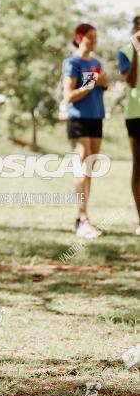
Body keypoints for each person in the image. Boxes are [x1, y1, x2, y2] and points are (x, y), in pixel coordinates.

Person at [63, 24, 109, 239]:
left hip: (96, 118)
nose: (93, 40)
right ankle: (82, 219)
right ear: (79, 38)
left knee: (90, 167)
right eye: (89, 37)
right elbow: (68, 96)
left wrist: (99, 80)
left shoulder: (96, 63)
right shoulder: (72, 62)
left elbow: (105, 82)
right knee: (82, 166)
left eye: (95, 37)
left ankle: (84, 217)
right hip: (78, 119)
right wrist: (89, 84)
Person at [116, 15, 140, 235]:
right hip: (135, 115)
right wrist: (136, 50)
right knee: (138, 167)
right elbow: (131, 80)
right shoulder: (125, 51)